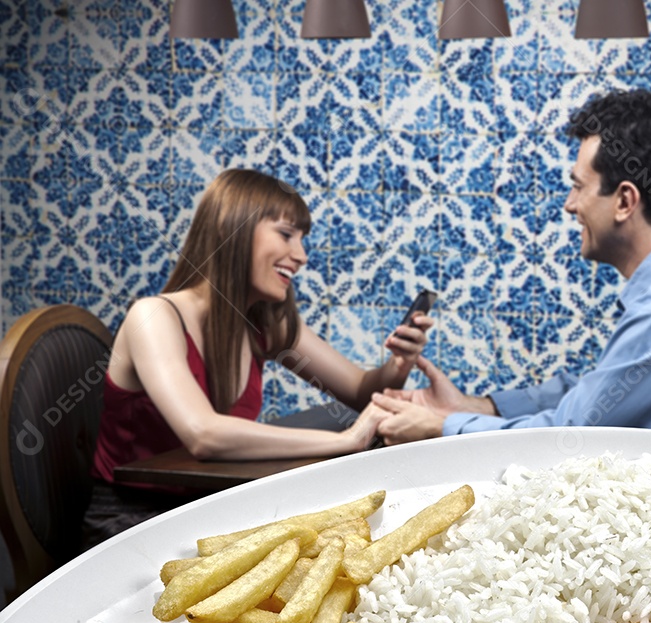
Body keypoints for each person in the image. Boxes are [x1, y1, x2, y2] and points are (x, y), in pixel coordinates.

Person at [371, 88, 651, 449]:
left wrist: (441, 429)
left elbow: (571, 441)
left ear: (625, 200)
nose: (569, 205)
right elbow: (605, 391)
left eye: (578, 187)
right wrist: (475, 407)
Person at [84, 168, 430, 545]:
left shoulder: (264, 325)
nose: (301, 256)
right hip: (131, 519)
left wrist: (398, 364)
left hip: (207, 510)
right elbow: (203, 434)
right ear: (230, 228)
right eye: (286, 234)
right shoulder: (153, 317)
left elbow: (361, 391)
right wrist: (347, 440)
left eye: (302, 240)